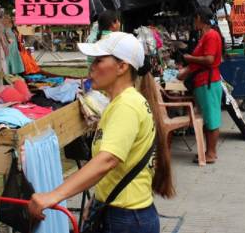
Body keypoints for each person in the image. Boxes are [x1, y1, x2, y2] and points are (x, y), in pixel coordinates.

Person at [29, 32, 174, 232]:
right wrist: (97, 200)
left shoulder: (127, 105)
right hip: (122, 213)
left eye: (99, 61)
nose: (92, 67)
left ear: (122, 67)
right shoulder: (120, 102)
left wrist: (53, 196)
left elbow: (107, 160)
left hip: (127, 220)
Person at [178, 6, 223, 162]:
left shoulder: (211, 35)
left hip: (208, 82)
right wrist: (186, 70)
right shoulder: (205, 36)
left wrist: (190, 58)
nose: (193, 22)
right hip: (203, 81)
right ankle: (208, 151)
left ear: (199, 18)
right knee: (209, 118)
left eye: (195, 19)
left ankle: (211, 153)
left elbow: (210, 60)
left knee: (212, 118)